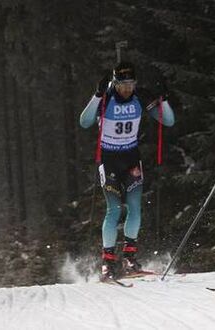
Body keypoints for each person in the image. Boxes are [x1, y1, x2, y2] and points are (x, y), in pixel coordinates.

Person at [80, 60, 175, 280]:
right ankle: (108, 262)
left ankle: (130, 259)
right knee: (114, 209)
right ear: (114, 83)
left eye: (131, 83)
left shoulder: (140, 97)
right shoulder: (106, 98)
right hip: (109, 160)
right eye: (122, 84)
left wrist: (164, 99)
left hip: (131, 158)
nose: (127, 88)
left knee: (134, 207)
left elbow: (168, 121)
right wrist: (96, 95)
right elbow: (84, 122)